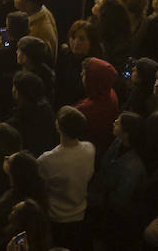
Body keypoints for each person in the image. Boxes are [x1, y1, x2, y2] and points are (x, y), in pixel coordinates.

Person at [38, 106, 97, 250]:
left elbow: (40, 186)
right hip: (80, 214)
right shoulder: (90, 149)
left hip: (56, 217)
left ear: (58, 126)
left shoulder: (47, 160)